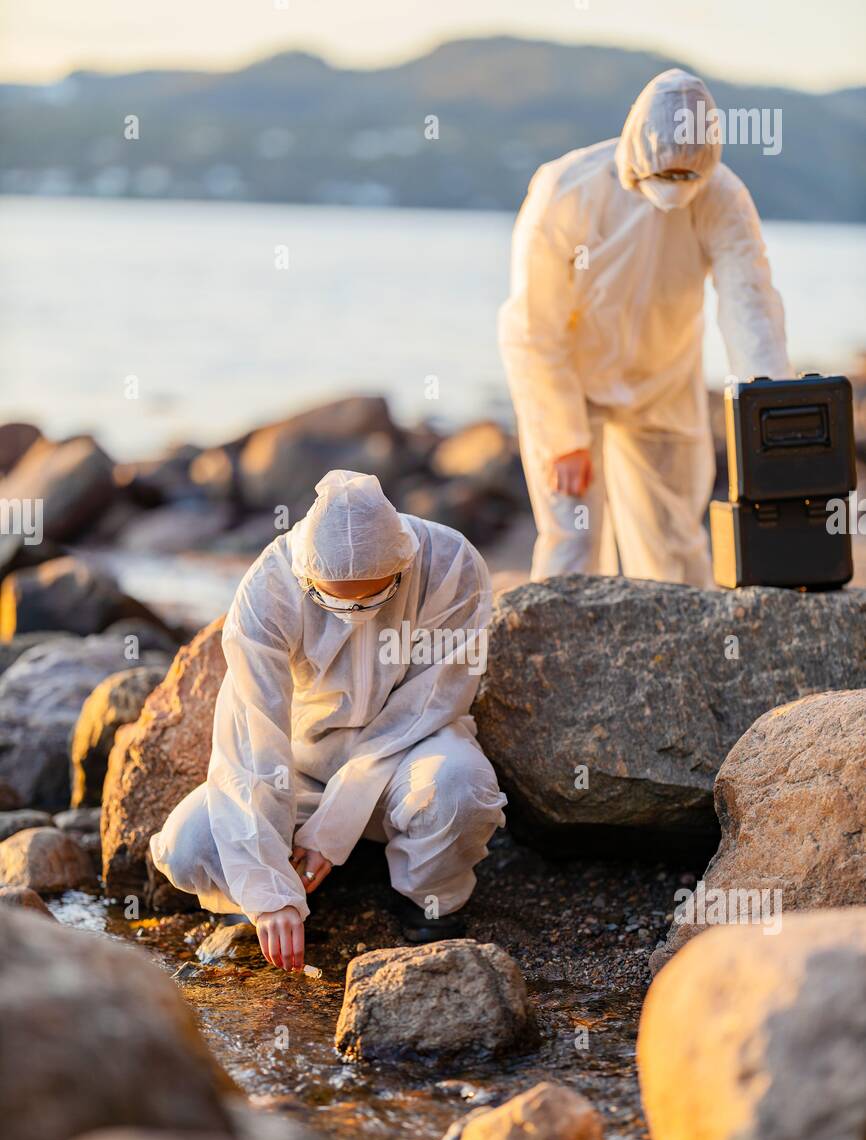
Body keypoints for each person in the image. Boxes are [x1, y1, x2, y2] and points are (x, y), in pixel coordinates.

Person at [150, 469, 506, 972]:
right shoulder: (269, 586)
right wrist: (267, 886)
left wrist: (335, 829)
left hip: (410, 750)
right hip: (302, 765)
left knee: (458, 787)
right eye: (332, 598)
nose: (353, 611)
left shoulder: (450, 563)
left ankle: (426, 902)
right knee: (190, 845)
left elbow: (431, 702)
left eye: (371, 596)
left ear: (403, 564)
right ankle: (270, 905)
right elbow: (255, 734)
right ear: (305, 576)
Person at [499, 68, 791, 584]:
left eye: (688, 177)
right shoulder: (566, 191)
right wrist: (564, 435)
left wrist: (768, 408)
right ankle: (561, 663)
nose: (677, 188)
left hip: (664, 383)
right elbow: (532, 326)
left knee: (674, 548)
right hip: (571, 384)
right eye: (666, 176)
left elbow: (750, 302)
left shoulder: (722, 195)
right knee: (572, 545)